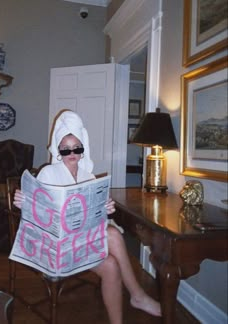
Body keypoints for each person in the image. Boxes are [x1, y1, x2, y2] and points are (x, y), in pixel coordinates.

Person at [14, 110, 161, 324]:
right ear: (58, 150)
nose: (72, 152)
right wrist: (24, 203)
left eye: (77, 147)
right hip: (57, 248)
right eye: (65, 149)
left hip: (82, 243)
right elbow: (39, 213)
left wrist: (104, 209)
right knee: (111, 234)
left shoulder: (88, 176)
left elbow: (93, 219)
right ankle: (137, 296)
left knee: (111, 262)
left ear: (83, 150)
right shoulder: (48, 173)